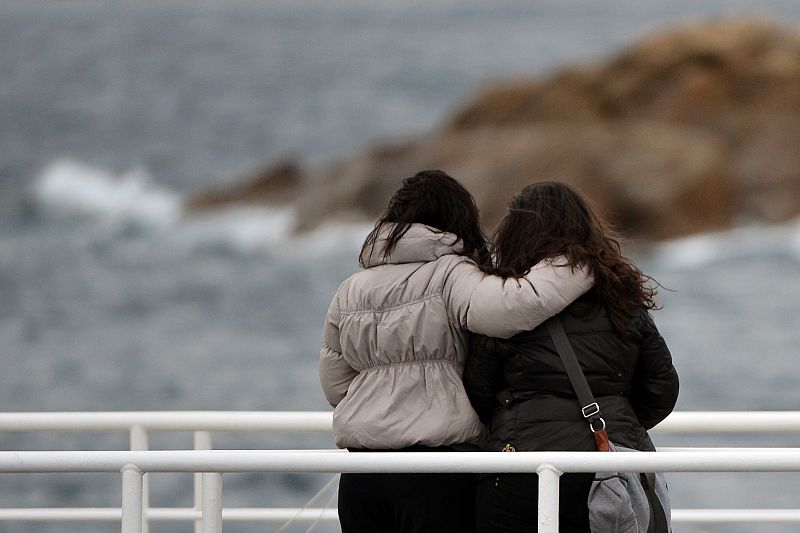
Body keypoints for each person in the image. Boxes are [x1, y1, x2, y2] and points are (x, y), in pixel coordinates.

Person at [319, 170, 594, 533]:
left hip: (361, 476)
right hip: (437, 472)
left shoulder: (350, 289)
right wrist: (579, 263)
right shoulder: (450, 273)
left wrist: (381, 404)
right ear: (456, 218)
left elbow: (335, 385)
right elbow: (514, 307)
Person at [464, 181, 679, 533]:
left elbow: (477, 391)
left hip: (520, 468)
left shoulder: (502, 307)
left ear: (513, 236)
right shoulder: (622, 299)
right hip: (610, 465)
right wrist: (616, 411)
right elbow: (661, 390)